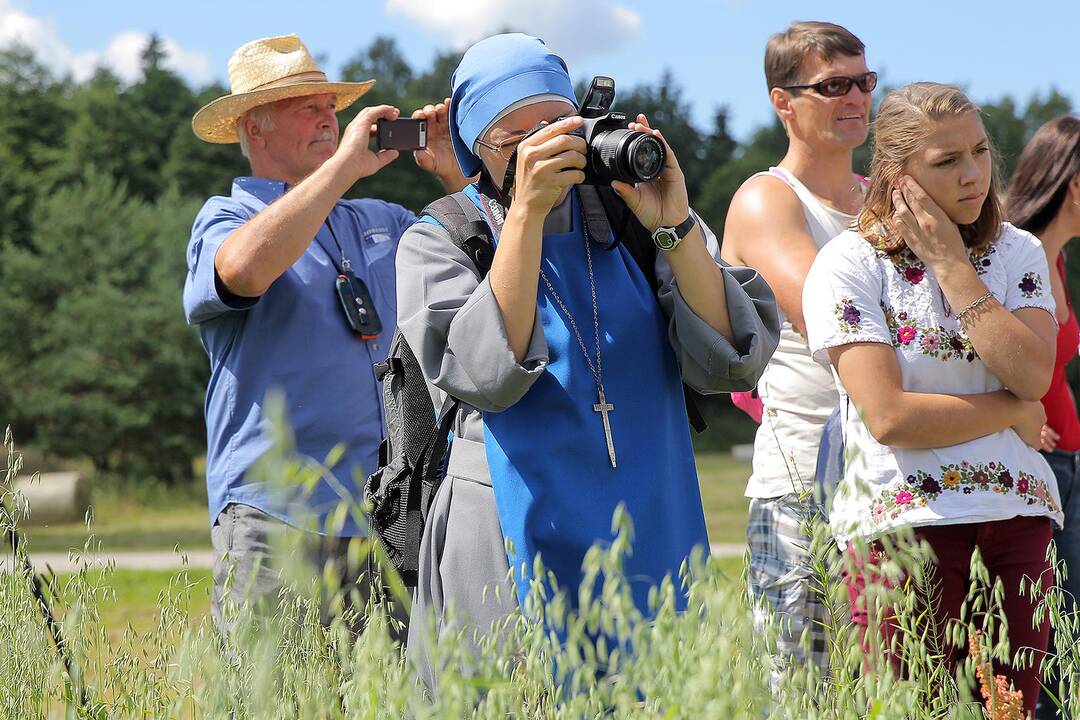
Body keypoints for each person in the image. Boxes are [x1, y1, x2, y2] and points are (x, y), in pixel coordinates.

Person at [395, 33, 779, 691]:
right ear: (476, 151)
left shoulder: (633, 220)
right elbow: (486, 376)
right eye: (514, 138)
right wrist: (524, 218)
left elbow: (735, 363)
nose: (543, 148)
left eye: (555, 126)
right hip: (511, 531)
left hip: (648, 521)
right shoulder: (441, 239)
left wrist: (676, 224)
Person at [182, 34, 468, 639]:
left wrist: (452, 174)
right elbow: (240, 272)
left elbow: (481, 267)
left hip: (387, 518)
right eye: (304, 105)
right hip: (274, 516)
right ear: (253, 127)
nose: (326, 116)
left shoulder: (382, 221)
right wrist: (343, 169)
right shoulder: (225, 217)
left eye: (329, 104)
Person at [802, 82, 1063, 715]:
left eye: (979, 151)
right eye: (947, 162)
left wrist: (952, 267)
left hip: (1017, 518)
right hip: (900, 529)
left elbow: (1033, 375)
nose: (974, 175)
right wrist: (1008, 413)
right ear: (897, 178)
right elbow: (890, 417)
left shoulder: (1017, 252)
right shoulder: (847, 264)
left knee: (1013, 710)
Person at [719, 20, 873, 682]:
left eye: (864, 82)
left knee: (895, 688)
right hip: (802, 486)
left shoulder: (881, 201)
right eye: (833, 85)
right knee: (804, 695)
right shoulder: (767, 199)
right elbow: (833, 318)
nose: (856, 98)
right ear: (784, 102)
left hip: (892, 480)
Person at [1006, 115, 1080, 720]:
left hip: (1068, 465)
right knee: (1047, 639)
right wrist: (1014, 417)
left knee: (1070, 633)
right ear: (1075, 185)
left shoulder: (1051, 260)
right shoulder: (1010, 251)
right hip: (1038, 468)